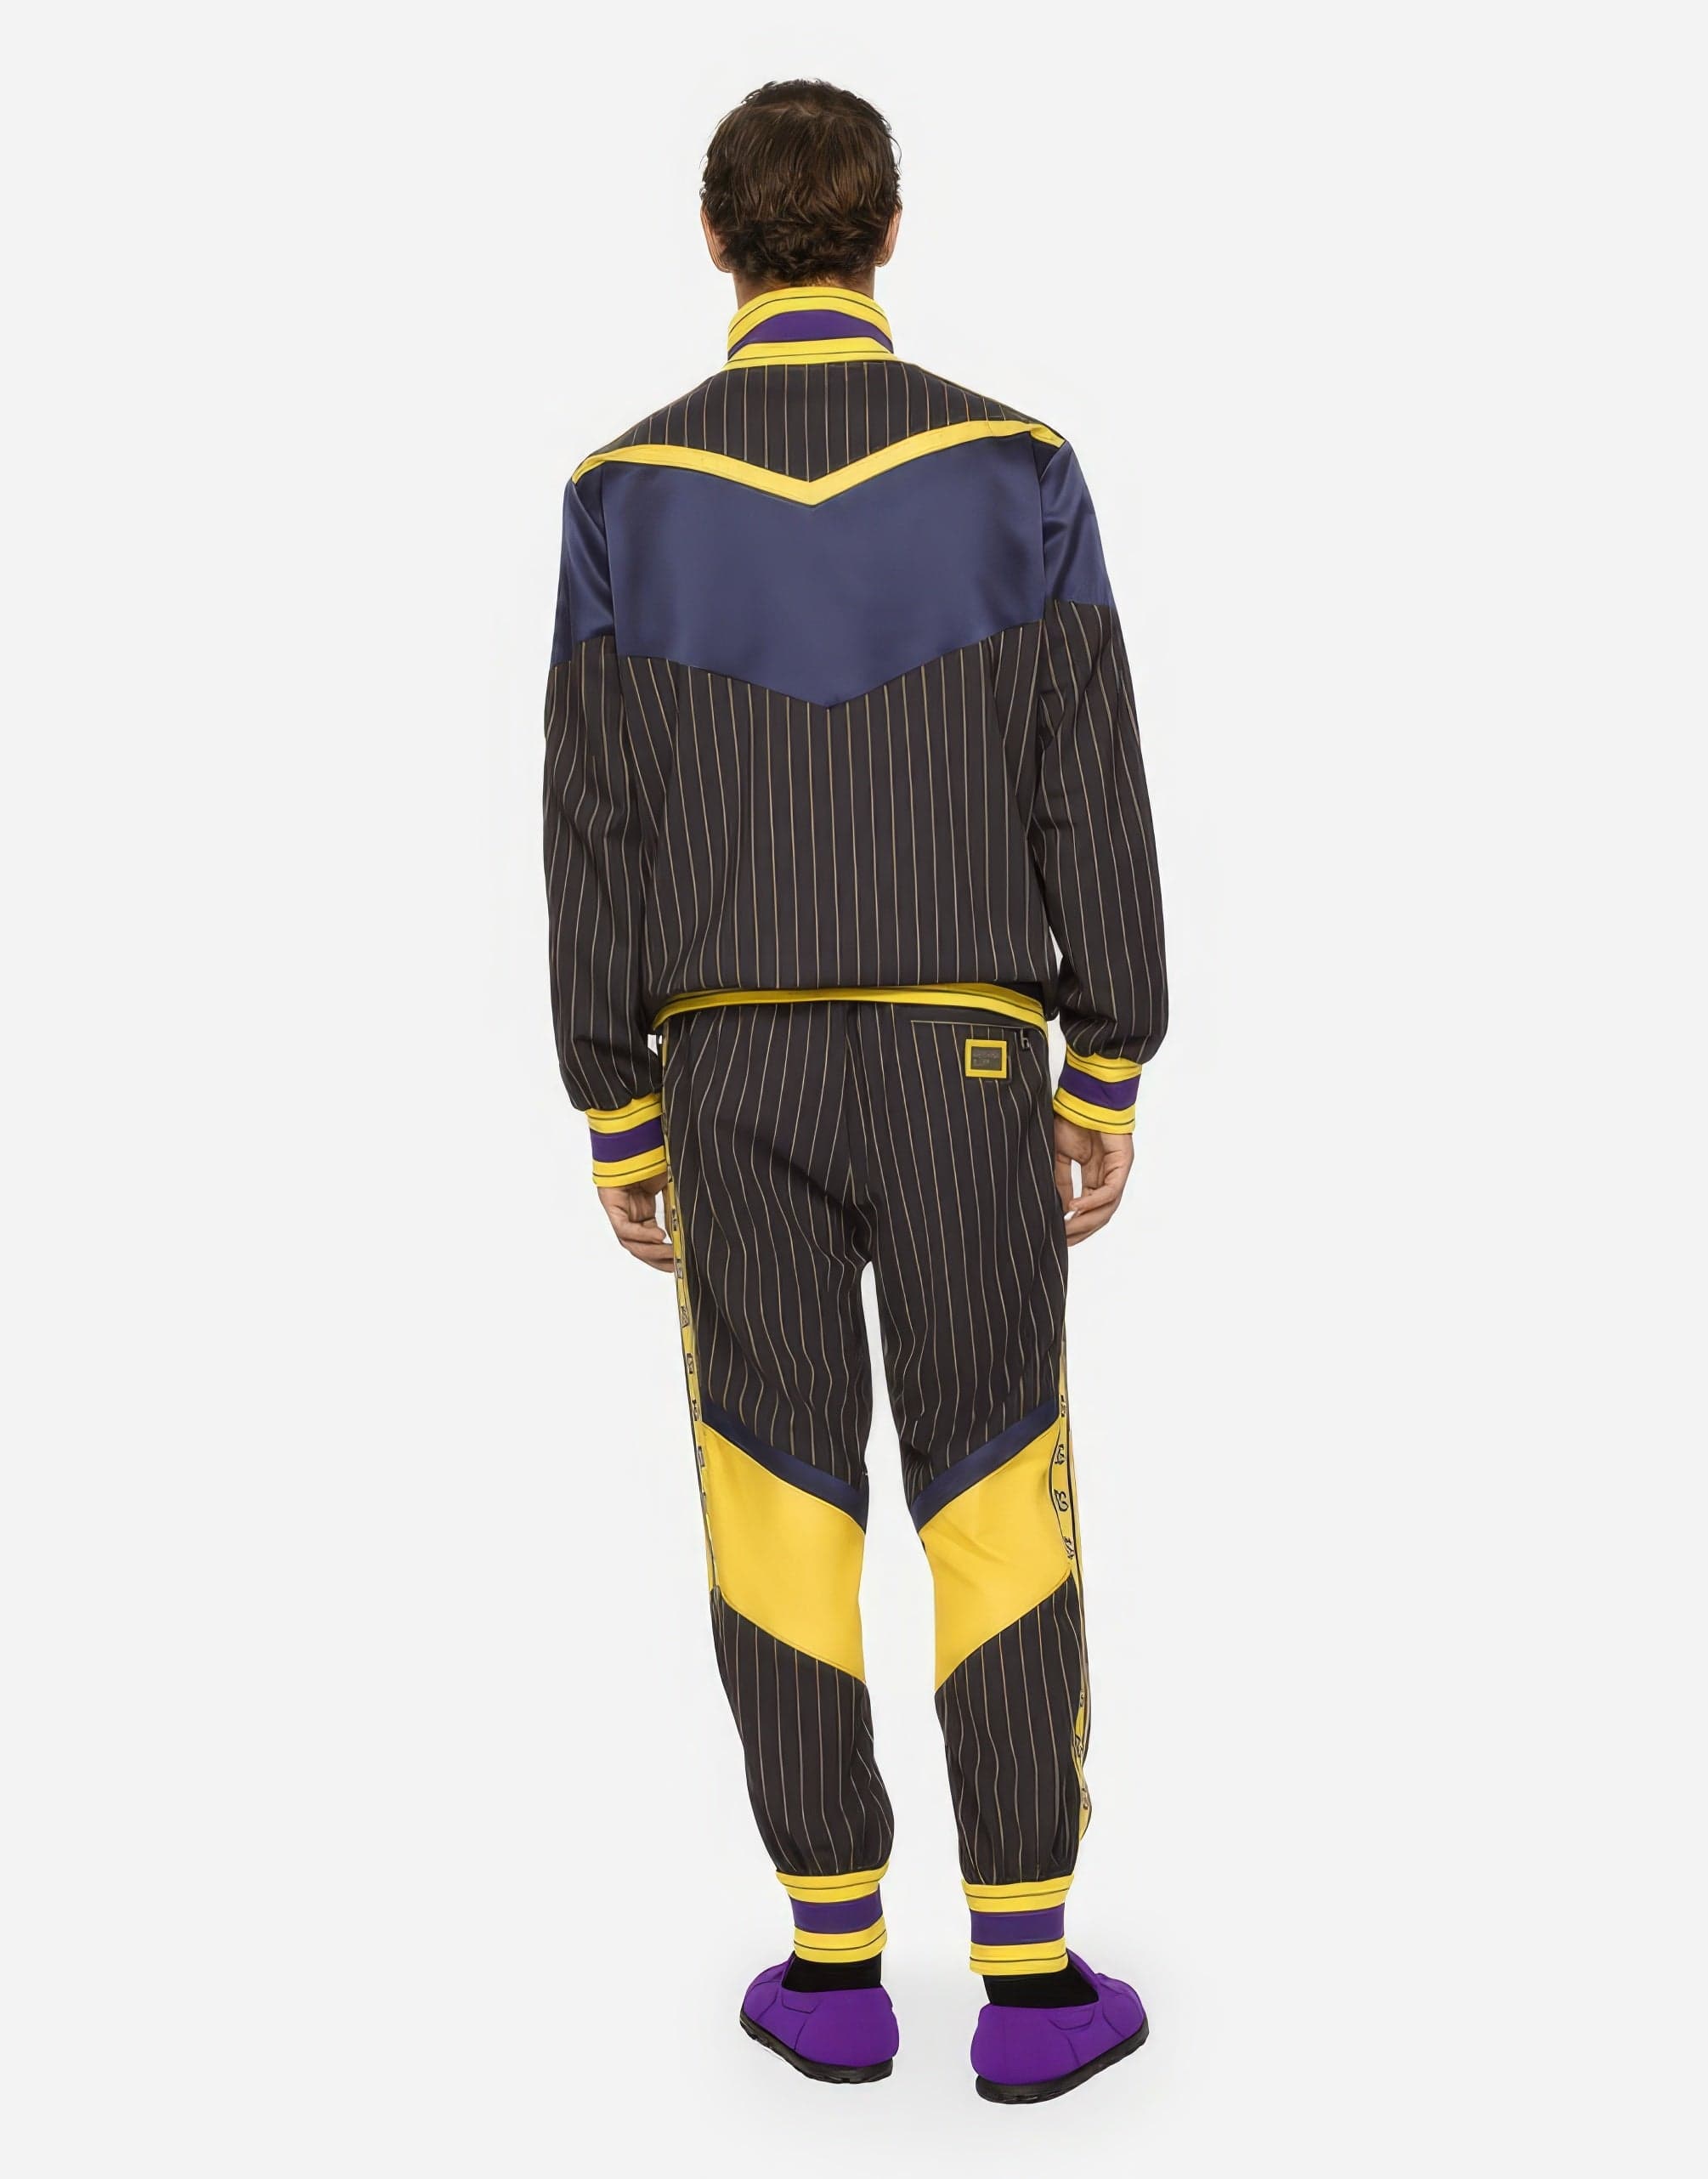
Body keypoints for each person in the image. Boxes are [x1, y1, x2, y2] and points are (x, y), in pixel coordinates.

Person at [542, 79, 1167, 2103]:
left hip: (726, 1066)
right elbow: (1089, 776)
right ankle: (1030, 1978)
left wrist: (617, 1106)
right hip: (968, 1052)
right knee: (993, 1485)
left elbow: (592, 821)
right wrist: (1108, 1059)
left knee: (777, 1497)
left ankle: (833, 1966)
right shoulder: (1020, 469)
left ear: (714, 241)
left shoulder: (623, 495)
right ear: (891, 233)